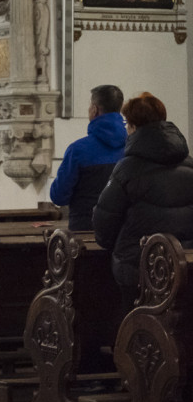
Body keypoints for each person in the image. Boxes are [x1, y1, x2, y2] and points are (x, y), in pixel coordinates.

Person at [94, 92, 193, 309]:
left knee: (133, 320)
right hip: (184, 262)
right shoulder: (189, 164)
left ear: (134, 127)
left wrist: (116, 247)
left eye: (128, 125)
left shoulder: (127, 168)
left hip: (137, 263)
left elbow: (104, 221)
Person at [49, 85, 127, 230]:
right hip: (121, 233)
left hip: (85, 230)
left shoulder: (78, 150)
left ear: (94, 109)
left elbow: (58, 196)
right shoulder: (132, 147)